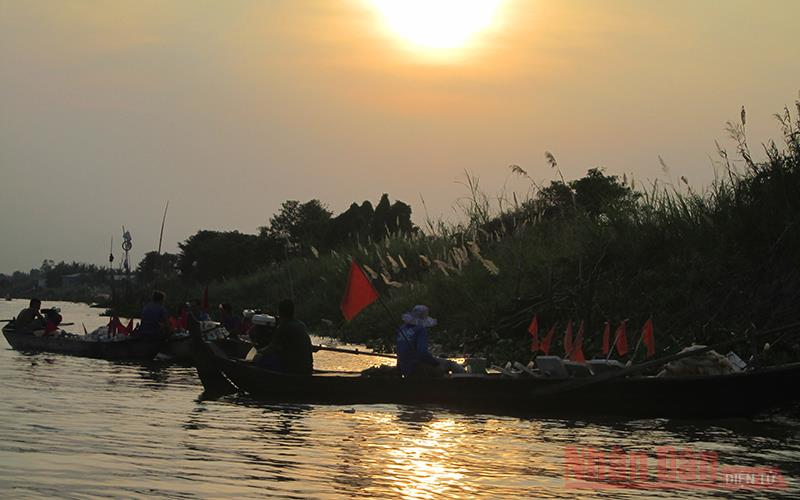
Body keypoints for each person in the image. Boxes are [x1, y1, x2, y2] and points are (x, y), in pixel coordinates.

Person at [396, 305, 464, 377]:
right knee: (451, 364)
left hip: (404, 366)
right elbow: (422, 353)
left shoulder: (402, 328)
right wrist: (436, 364)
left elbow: (400, 350)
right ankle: (467, 379)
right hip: (416, 365)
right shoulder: (421, 330)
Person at [254, 299, 313, 375]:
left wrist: (260, 352)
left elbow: (271, 347)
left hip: (292, 368)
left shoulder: (284, 326)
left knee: (258, 358)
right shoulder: (301, 324)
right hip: (307, 368)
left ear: (280, 312)